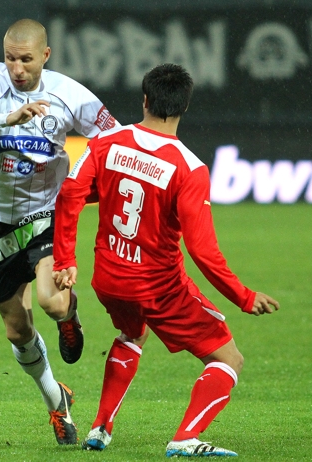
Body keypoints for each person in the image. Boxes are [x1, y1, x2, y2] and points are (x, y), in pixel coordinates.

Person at [52, 63, 279, 456]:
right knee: (228, 358)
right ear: (183, 108)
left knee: (132, 335)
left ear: (144, 99)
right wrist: (243, 296)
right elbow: (202, 250)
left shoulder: (106, 142)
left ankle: (100, 429)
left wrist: (64, 260)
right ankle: (186, 438)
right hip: (158, 288)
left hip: (108, 280)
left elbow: (70, 193)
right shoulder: (189, 168)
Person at [0, 19, 119, 445]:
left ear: (45, 55)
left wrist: (88, 183)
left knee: (49, 299)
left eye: (26, 59)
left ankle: (69, 314)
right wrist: (9, 115)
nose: (17, 68)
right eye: (11, 58)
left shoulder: (70, 94)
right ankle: (56, 401)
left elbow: (113, 137)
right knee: (17, 330)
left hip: (45, 212)